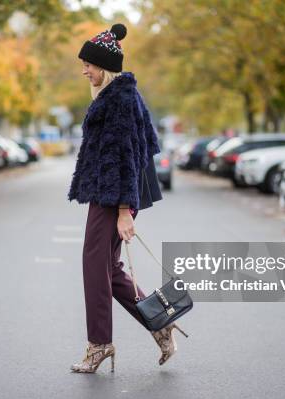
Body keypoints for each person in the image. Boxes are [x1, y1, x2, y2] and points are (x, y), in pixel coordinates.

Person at [67, 23, 188, 374]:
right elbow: (142, 146)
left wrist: (124, 210)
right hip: (111, 192)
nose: (84, 70)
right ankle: (161, 322)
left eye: (88, 64)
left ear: (104, 66)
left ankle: (99, 343)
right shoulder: (120, 95)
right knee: (108, 268)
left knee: (94, 265)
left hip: (113, 195)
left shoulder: (119, 98)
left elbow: (128, 155)